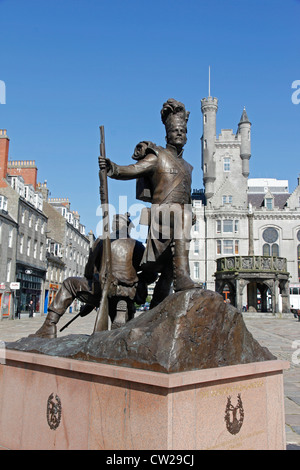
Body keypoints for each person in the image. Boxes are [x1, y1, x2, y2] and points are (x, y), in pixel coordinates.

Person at [99, 98, 200, 308]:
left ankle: (157, 306)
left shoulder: (189, 167)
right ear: (167, 134)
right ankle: (183, 277)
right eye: (175, 131)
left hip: (178, 223)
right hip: (161, 219)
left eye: (183, 131)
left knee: (170, 266)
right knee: (183, 215)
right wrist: (113, 168)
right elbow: (133, 170)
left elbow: (186, 196)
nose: (180, 134)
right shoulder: (158, 156)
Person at [30, 213, 154, 339]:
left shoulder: (101, 242)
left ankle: (49, 325)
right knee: (119, 307)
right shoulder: (138, 246)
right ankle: (122, 310)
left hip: (103, 288)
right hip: (128, 292)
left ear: (113, 226)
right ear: (128, 228)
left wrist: (91, 299)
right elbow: (151, 274)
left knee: (69, 283)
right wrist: (133, 281)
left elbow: (89, 271)